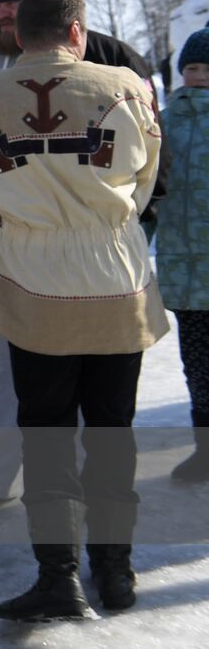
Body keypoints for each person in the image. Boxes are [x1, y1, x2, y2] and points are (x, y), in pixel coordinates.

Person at [0, 0, 166, 620]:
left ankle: (58, 576)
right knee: (112, 430)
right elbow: (145, 179)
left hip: (30, 283)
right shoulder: (125, 88)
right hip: (114, 279)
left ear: (18, 35)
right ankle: (116, 569)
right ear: (77, 32)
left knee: (46, 435)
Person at [157, 25, 209, 482]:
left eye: (208, 69)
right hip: (184, 270)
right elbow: (147, 190)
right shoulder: (163, 123)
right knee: (198, 368)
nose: (200, 76)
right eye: (192, 67)